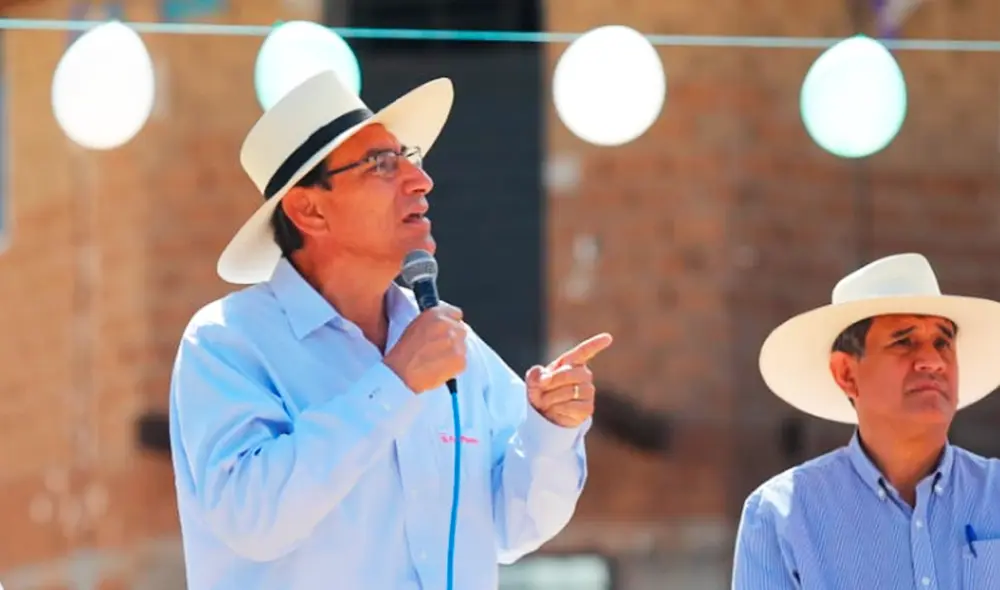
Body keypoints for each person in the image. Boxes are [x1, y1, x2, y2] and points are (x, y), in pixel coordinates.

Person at [167, 70, 612, 590]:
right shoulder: (226, 342)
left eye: (409, 157)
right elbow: (253, 518)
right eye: (382, 164)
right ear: (309, 209)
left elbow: (516, 529)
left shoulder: (448, 342)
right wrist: (395, 382)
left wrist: (550, 429)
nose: (421, 180)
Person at [732, 253, 1000, 589]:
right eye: (904, 341)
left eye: (943, 342)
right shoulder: (780, 516)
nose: (932, 361)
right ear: (846, 373)